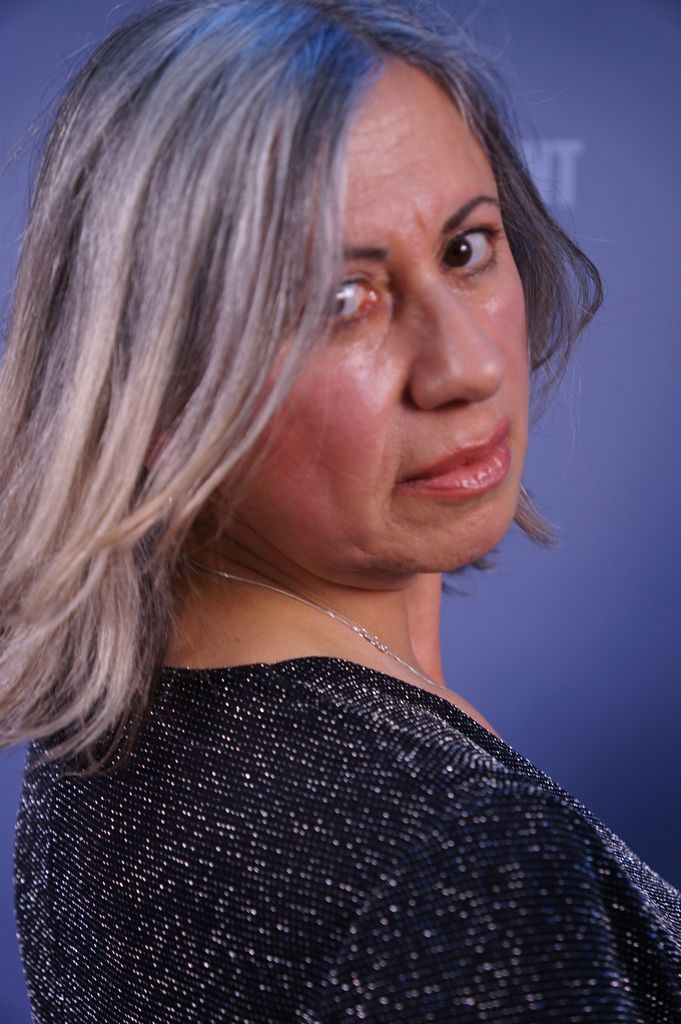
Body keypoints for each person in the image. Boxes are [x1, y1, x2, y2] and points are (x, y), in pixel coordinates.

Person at [1, 0, 679, 1020]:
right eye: (341, 301)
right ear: (159, 381)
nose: (466, 367)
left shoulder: (103, 744)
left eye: (466, 250)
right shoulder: (460, 859)